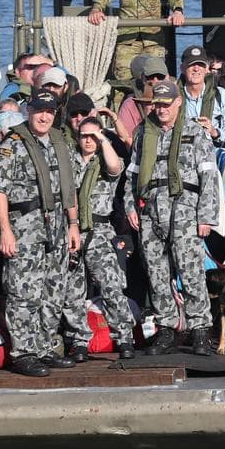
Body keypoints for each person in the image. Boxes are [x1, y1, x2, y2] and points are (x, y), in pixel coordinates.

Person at [123, 81, 220, 357]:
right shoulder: (144, 133)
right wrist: (131, 206)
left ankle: (200, 329)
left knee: (191, 271)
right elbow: (132, 174)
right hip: (151, 209)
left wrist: (206, 216)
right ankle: (166, 329)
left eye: (166, 104)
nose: (161, 109)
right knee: (156, 273)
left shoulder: (195, 132)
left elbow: (209, 177)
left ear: (178, 103)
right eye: (157, 104)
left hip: (185, 209)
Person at [0, 91, 82, 377]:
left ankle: (44, 347)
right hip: (25, 229)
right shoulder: (13, 145)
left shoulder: (60, 143)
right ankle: (24, 352)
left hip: (56, 228)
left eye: (50, 111)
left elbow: (70, 190)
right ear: (28, 111)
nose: (44, 116)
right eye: (39, 111)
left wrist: (73, 224)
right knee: (23, 293)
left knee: (52, 292)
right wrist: (5, 230)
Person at [70, 116, 138, 360]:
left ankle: (125, 337)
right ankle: (79, 340)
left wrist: (103, 139)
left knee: (111, 286)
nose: (88, 140)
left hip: (99, 231)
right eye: (84, 136)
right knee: (74, 290)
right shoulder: (70, 161)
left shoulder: (105, 158)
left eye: (93, 136)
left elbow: (114, 168)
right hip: (73, 230)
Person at [178, 45, 225, 145]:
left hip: (212, 155)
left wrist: (214, 132)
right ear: (182, 68)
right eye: (191, 64)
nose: (196, 69)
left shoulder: (220, 94)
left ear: (207, 68)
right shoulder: (174, 96)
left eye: (201, 65)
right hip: (183, 154)